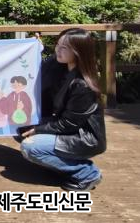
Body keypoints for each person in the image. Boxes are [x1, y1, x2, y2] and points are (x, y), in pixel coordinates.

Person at [19, 28, 106, 191]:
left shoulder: (82, 85)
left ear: (78, 52)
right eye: (58, 45)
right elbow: (45, 66)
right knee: (21, 127)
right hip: (67, 128)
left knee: (29, 147)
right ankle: (59, 165)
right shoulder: (64, 68)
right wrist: (35, 47)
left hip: (83, 138)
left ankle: (87, 173)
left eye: (64, 47)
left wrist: (37, 130)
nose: (58, 50)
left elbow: (69, 124)